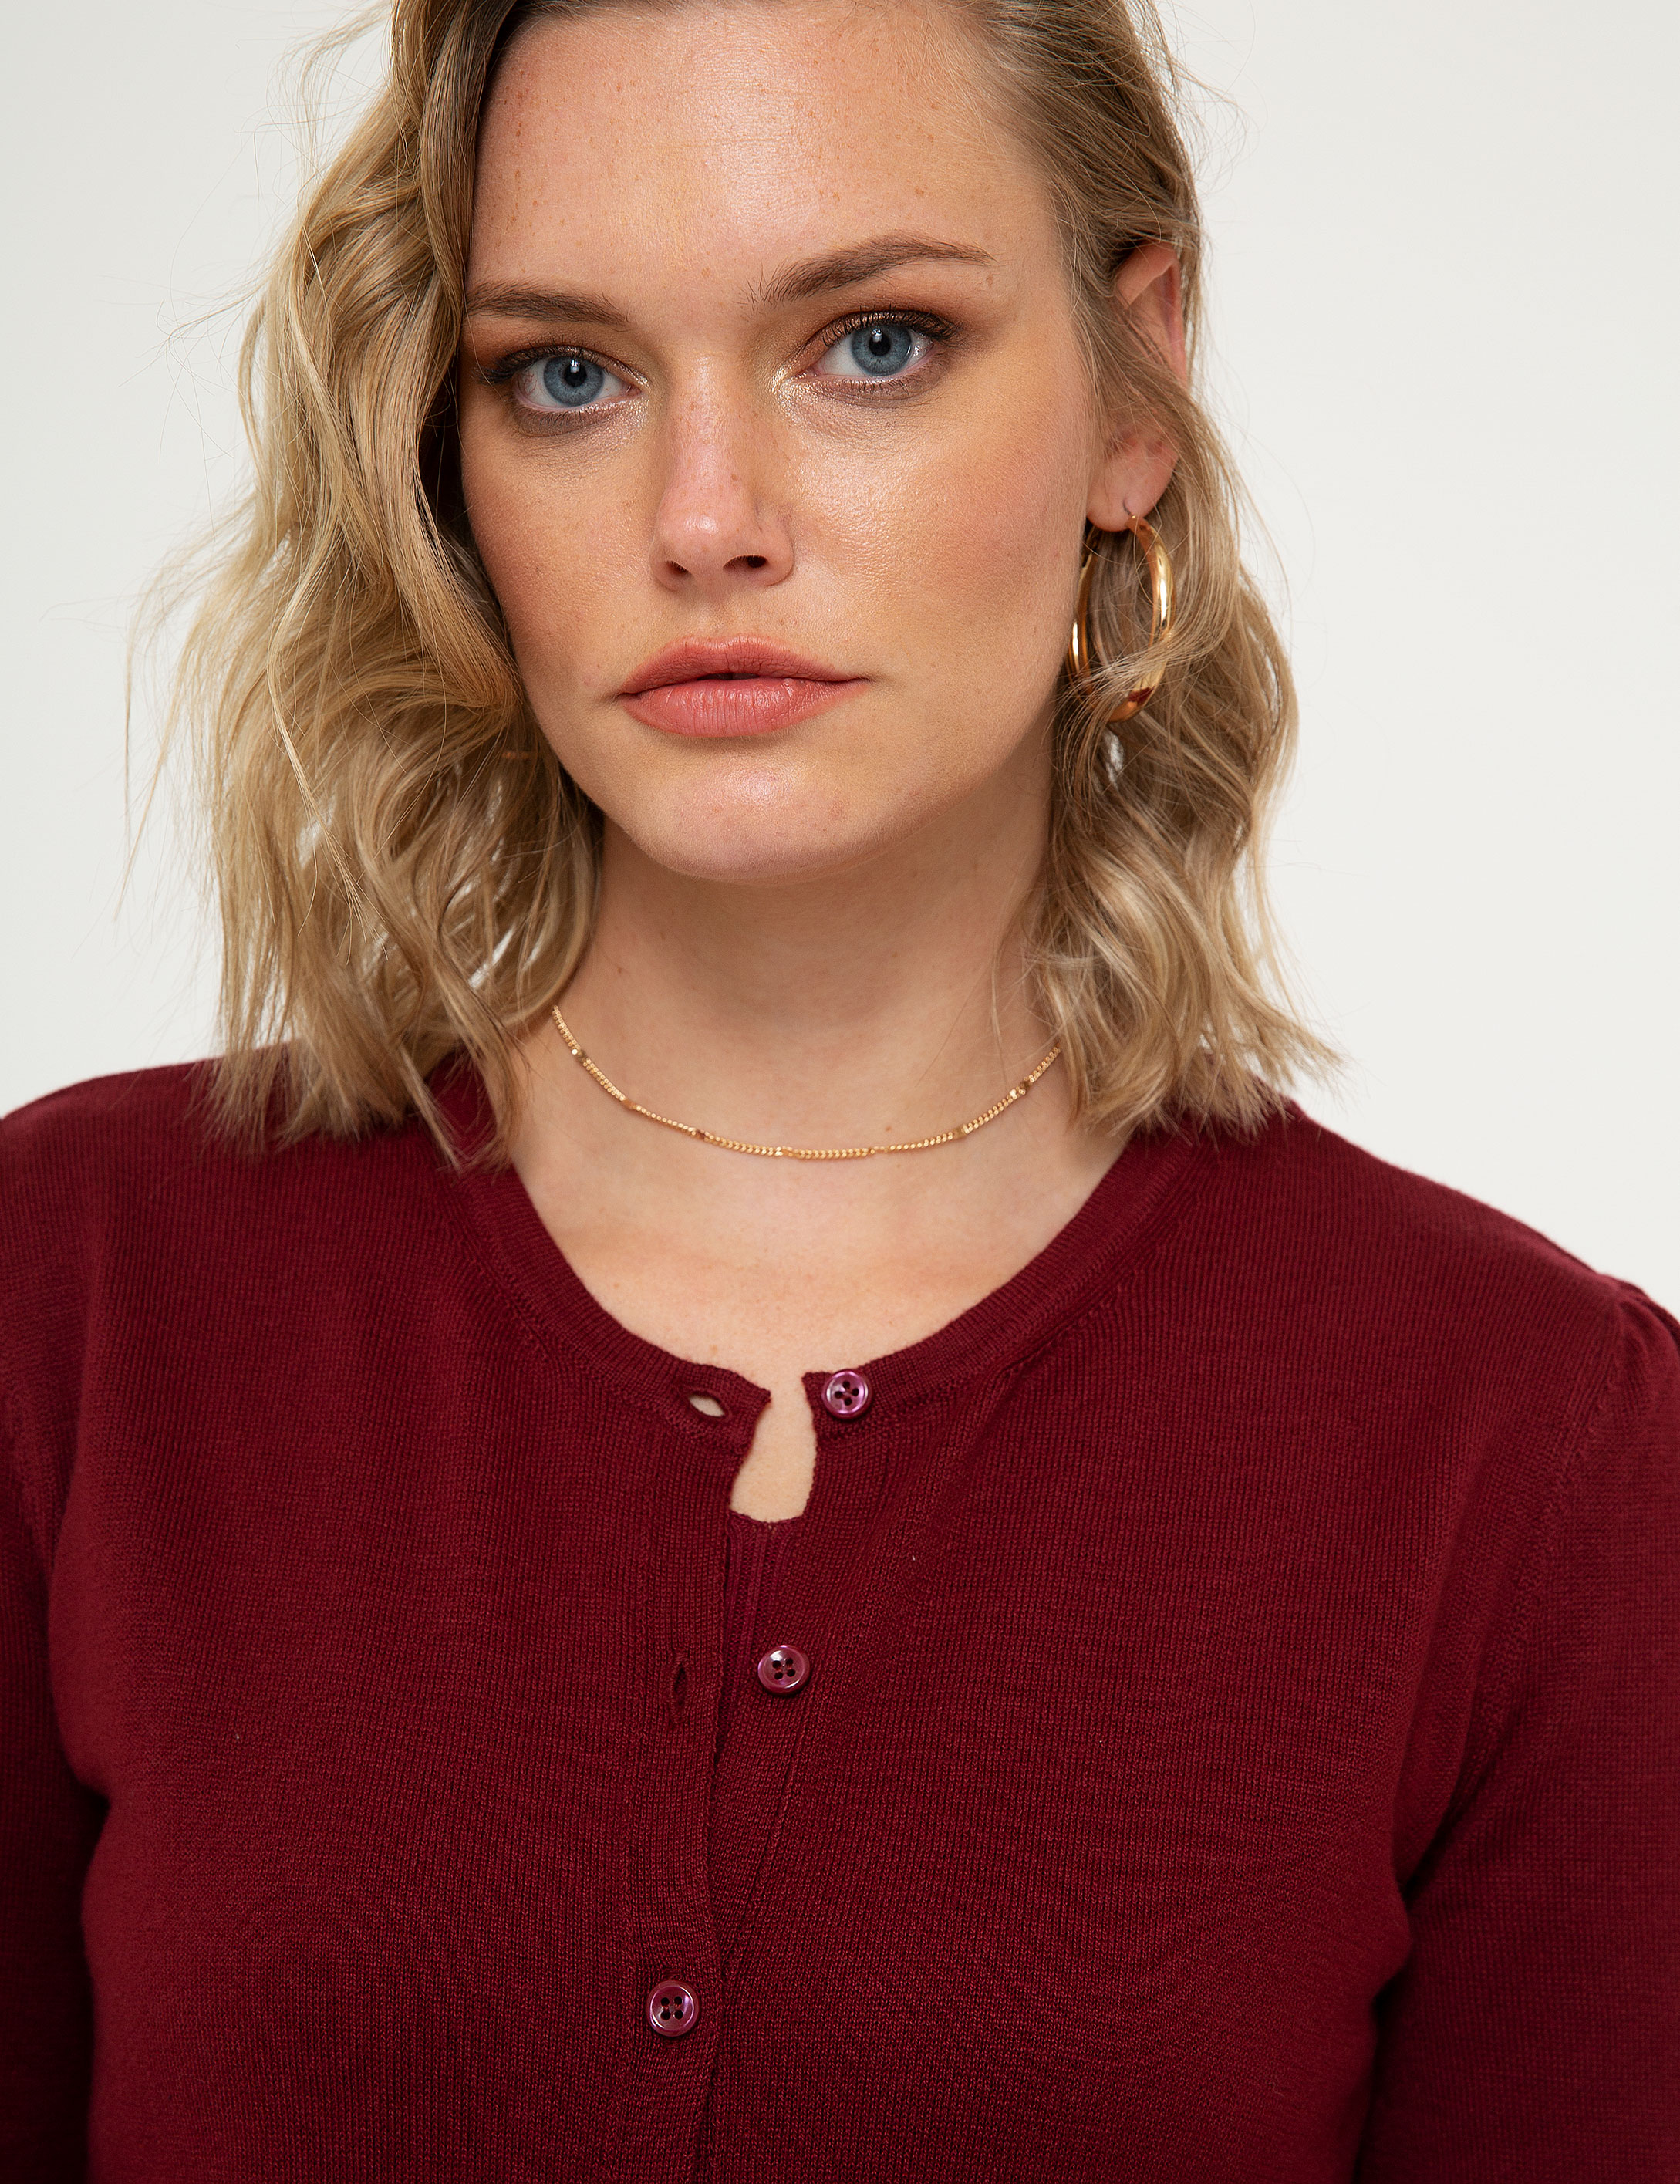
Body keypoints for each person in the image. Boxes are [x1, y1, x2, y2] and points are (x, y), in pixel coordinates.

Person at [2, 0, 1675, 2176]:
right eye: (568, 375)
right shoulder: (81, 1291)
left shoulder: (1524, 1440)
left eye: (872, 344)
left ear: (1135, 388)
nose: (705, 519)